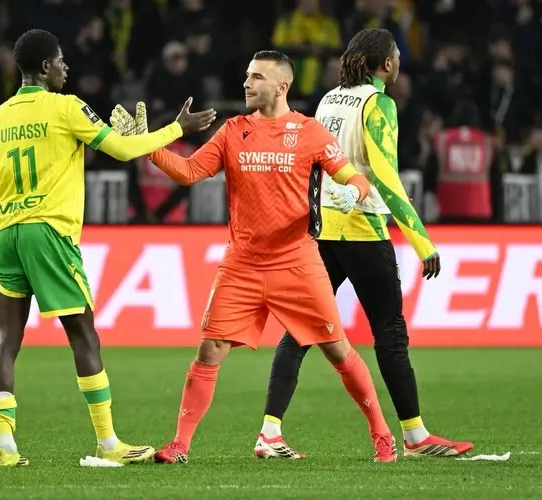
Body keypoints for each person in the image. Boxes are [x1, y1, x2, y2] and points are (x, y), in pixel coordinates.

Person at [111, 50, 398, 464]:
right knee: (209, 351)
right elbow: (190, 172)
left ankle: (382, 435)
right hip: (242, 264)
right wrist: (147, 147)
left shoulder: (310, 131)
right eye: (246, 75)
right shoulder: (233, 130)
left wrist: (352, 191)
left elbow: (356, 178)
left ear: (282, 86)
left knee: (337, 350)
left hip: (297, 262)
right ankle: (179, 445)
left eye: (257, 77)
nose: (246, 83)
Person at [0, 29, 215, 468]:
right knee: (84, 336)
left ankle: (5, 447)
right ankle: (108, 441)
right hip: (49, 234)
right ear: (44, 67)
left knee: (7, 339)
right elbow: (120, 149)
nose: (66, 68)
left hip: (6, 236)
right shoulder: (65, 107)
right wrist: (177, 129)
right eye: (60, 61)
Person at [254, 28, 473, 460]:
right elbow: (386, 178)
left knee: (299, 330)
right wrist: (421, 240)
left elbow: (315, 163)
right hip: (361, 227)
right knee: (389, 333)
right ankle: (414, 436)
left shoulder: (328, 100)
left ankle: (270, 432)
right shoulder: (380, 104)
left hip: (322, 228)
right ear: (388, 64)